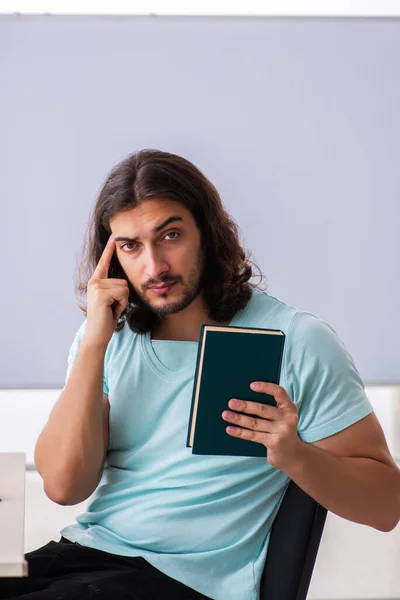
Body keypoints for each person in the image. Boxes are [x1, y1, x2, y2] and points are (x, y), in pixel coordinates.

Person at [2, 149, 399, 600]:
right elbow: (63, 486)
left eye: (169, 235)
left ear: (206, 234)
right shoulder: (105, 338)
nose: (153, 267)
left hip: (184, 582)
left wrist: (296, 456)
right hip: (86, 555)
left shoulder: (297, 340)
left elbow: (387, 506)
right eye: (130, 246)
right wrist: (94, 343)